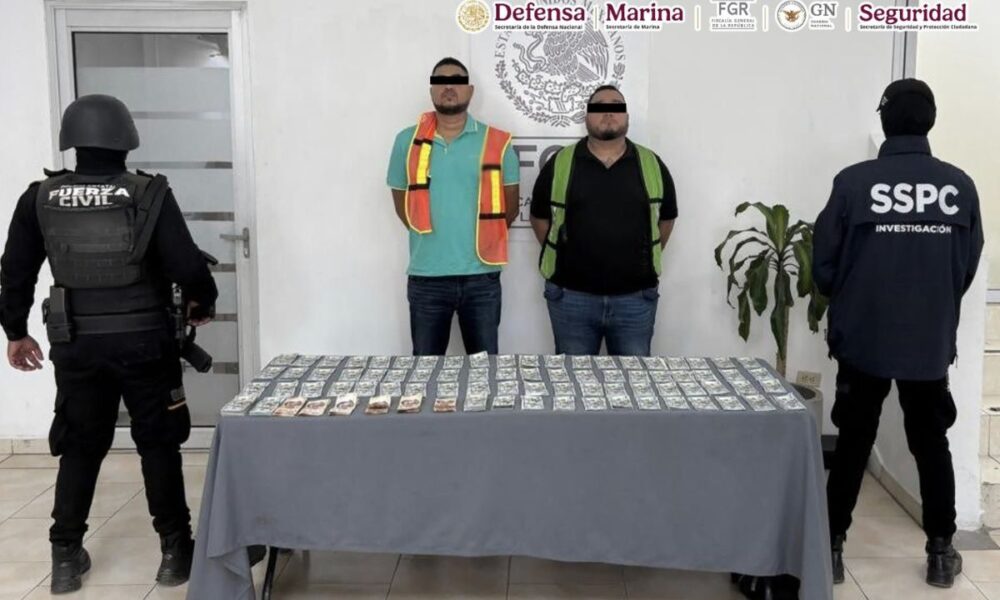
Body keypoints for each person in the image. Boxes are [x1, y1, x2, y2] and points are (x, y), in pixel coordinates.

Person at [0, 94, 218, 593]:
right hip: (145, 344)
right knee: (158, 443)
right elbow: (187, 265)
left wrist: (15, 332)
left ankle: (64, 556)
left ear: (72, 141)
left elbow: (14, 271)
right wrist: (201, 303)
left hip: (76, 345)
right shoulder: (149, 193)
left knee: (80, 445)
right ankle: (174, 551)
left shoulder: (40, 197)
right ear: (127, 139)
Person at [814, 78, 984, 589]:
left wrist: (857, 296)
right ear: (930, 120)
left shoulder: (853, 183)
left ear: (885, 120)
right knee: (931, 444)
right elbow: (966, 266)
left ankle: (831, 548)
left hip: (863, 338)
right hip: (927, 344)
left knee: (852, 443)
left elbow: (824, 265)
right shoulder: (959, 186)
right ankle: (940, 553)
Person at [529, 85, 678, 356]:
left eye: (616, 106)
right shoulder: (560, 163)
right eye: (599, 106)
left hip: (635, 300)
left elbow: (666, 221)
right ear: (587, 116)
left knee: (633, 379)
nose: (608, 112)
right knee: (574, 380)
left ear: (627, 117)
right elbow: (539, 218)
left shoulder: (652, 164)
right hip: (571, 298)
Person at [386, 57, 521, 356]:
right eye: (441, 81)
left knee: (484, 371)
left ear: (470, 91)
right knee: (425, 372)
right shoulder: (406, 141)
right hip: (426, 277)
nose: (449, 87)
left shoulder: (497, 141)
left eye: (457, 81)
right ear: (431, 91)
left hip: (482, 277)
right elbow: (401, 203)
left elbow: (509, 208)